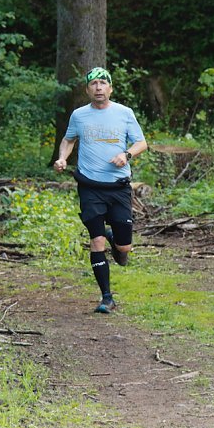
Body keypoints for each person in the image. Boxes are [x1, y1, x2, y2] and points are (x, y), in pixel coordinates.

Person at [54, 67, 148, 313]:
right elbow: (69, 139)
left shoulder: (124, 113)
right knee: (95, 241)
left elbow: (141, 143)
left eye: (103, 83)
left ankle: (113, 237)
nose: (98, 88)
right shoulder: (79, 115)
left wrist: (126, 155)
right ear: (87, 90)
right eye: (93, 84)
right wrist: (62, 158)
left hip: (118, 187)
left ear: (110, 88)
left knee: (124, 248)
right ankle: (107, 298)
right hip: (89, 187)